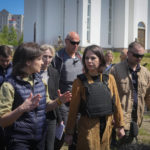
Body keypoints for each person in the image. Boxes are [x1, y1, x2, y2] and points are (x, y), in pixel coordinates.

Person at [0, 42, 72, 150]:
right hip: (18, 142)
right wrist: (21, 108)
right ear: (28, 62)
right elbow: (2, 121)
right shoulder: (9, 85)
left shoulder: (41, 82)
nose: (42, 62)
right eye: (39, 59)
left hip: (39, 140)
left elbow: (46, 106)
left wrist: (58, 101)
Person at [65, 45, 125, 150]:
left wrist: (120, 126)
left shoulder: (109, 79)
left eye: (93, 58)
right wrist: (69, 132)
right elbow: (73, 109)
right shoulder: (79, 82)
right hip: (88, 129)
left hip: (106, 128)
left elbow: (116, 104)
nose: (89, 61)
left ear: (100, 59)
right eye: (86, 58)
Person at [110, 41, 150, 147]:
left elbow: (148, 95)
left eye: (141, 55)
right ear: (128, 53)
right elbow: (109, 96)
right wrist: (114, 117)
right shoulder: (115, 70)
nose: (139, 58)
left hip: (137, 118)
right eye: (136, 55)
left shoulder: (146, 72)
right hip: (120, 119)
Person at [52, 31, 83, 150]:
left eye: (78, 43)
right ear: (66, 41)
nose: (76, 45)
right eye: (73, 42)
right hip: (63, 102)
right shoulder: (58, 57)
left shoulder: (80, 57)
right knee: (62, 132)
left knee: (77, 133)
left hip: (78, 102)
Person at [40, 44, 62, 150]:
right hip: (36, 114)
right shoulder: (32, 72)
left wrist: (60, 118)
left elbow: (55, 96)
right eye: (44, 56)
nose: (47, 60)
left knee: (49, 146)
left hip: (51, 115)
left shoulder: (54, 72)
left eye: (49, 57)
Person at [0, 45, 13, 150]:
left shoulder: (16, 69)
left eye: (7, 61)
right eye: (1, 60)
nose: (4, 63)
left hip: (11, 108)